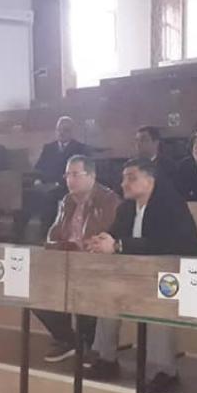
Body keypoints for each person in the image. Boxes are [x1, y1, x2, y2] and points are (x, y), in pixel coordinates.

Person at [85, 158, 197, 393]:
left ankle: (165, 371)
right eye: (123, 178)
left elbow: (165, 244)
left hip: (183, 275)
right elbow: (115, 235)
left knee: (158, 305)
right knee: (108, 296)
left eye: (131, 178)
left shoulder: (170, 205)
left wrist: (118, 245)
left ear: (150, 181)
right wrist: (101, 240)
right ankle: (106, 358)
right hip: (144, 275)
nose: (124, 184)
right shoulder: (127, 208)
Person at [35, 155, 121, 362]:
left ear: (91, 176)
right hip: (67, 261)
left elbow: (98, 240)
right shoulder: (67, 200)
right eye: (67, 175)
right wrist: (62, 246)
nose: (69, 180)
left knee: (85, 288)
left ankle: (89, 344)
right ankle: (68, 339)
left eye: (75, 174)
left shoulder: (109, 200)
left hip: (95, 265)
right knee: (34, 289)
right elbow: (52, 236)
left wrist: (72, 248)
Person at [16, 116, 90, 241]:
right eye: (59, 130)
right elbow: (39, 167)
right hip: (46, 185)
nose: (61, 133)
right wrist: (37, 180)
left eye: (65, 130)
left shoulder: (80, 149)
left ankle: (45, 236)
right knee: (25, 195)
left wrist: (59, 183)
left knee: (49, 198)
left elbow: (79, 172)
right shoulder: (49, 147)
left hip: (65, 186)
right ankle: (18, 236)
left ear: (72, 132)